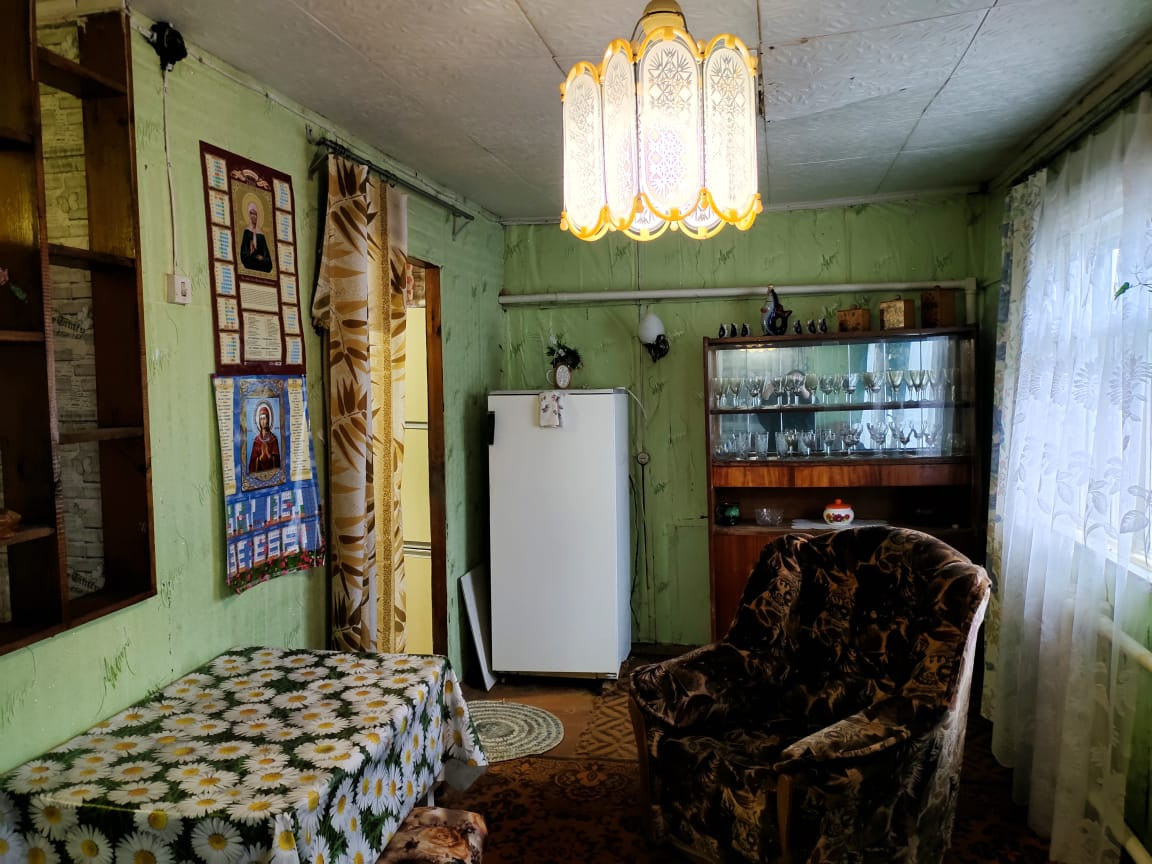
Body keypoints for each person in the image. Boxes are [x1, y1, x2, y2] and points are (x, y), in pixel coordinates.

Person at [240, 201, 274, 272]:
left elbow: (268, 259)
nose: (253, 216)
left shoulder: (261, 235)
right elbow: (243, 254)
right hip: (250, 261)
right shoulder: (247, 232)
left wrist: (262, 258)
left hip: (260, 263)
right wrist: (251, 252)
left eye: (255, 214)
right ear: (248, 215)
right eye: (251, 213)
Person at [248, 403, 281, 473]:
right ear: (259, 421)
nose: (262, 421)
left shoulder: (273, 439)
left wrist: (269, 456)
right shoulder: (256, 440)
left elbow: (278, 462)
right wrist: (260, 458)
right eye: (261, 419)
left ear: (268, 419)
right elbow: (252, 464)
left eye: (264, 418)